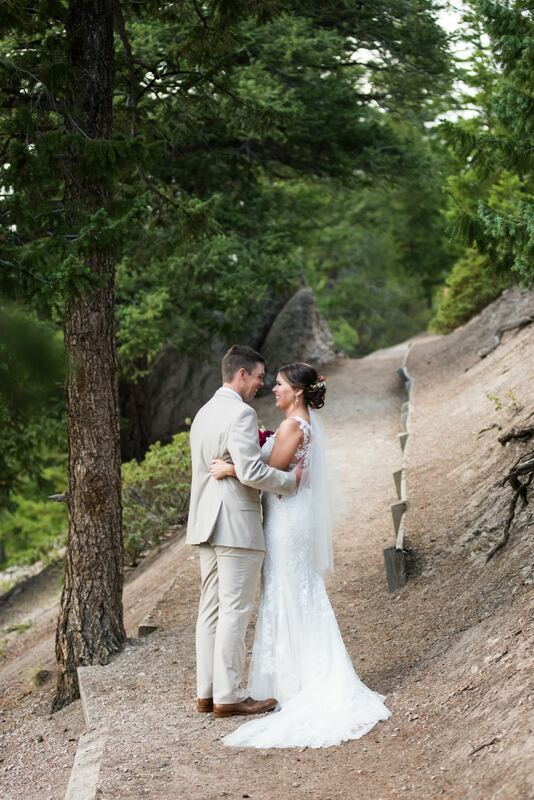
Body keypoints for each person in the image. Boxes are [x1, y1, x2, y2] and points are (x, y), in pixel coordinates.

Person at [209, 362, 391, 748]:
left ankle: (303, 681)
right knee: (287, 591)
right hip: (286, 514)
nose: (272, 389)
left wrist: (230, 468)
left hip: (287, 521)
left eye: (278, 385)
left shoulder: (294, 426)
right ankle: (290, 680)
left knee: (290, 590)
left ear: (297, 391)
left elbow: (268, 471)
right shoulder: (294, 424)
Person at [186, 344, 301, 719]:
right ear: (241, 375)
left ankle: (207, 692)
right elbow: (250, 472)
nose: (261, 384)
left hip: (205, 522)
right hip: (235, 523)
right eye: (258, 377)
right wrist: (289, 480)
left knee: (211, 611)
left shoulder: (204, 413)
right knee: (235, 610)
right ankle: (231, 695)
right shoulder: (240, 414)